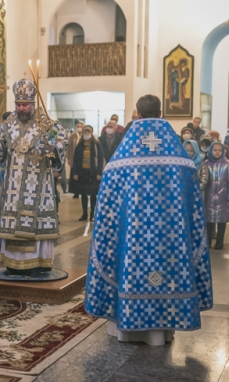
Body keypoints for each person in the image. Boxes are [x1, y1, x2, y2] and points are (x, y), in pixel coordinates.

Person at [87, 94, 213, 346]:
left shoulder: (125, 150)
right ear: (160, 112)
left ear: (138, 113)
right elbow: (192, 195)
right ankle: (162, 331)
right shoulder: (177, 152)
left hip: (133, 233)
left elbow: (107, 195)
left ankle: (127, 326)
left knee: (130, 265)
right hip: (169, 233)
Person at [0, 79, 67, 276]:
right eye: (18, 105)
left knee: (36, 224)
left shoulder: (48, 124)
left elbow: (60, 151)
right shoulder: (7, 125)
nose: (21, 108)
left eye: (25, 105)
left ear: (33, 103)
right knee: (13, 224)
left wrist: (53, 149)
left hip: (39, 187)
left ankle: (40, 262)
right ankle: (13, 264)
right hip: (13, 186)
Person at [204, 141, 229, 250]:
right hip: (208, 197)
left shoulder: (228, 164)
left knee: (222, 221)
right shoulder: (206, 163)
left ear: (223, 151)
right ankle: (207, 242)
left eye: (220, 150)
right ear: (210, 150)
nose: (217, 152)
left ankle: (220, 241)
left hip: (223, 197)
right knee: (208, 222)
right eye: (215, 150)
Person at [71, 125, 104, 221]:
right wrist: (75, 173)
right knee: (83, 194)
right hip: (82, 172)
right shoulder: (80, 144)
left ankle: (92, 214)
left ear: (91, 132)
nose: (86, 132)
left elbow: (100, 159)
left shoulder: (96, 143)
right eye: (85, 131)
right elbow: (76, 159)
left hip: (93, 173)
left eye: (88, 131)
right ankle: (84, 213)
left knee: (93, 194)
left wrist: (99, 173)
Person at [66, 121, 83, 194]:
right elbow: (69, 147)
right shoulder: (72, 136)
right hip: (73, 157)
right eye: (78, 127)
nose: (79, 128)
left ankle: (81, 191)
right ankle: (75, 192)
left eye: (81, 127)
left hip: (82, 158)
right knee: (74, 174)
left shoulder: (84, 136)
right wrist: (68, 158)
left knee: (81, 175)